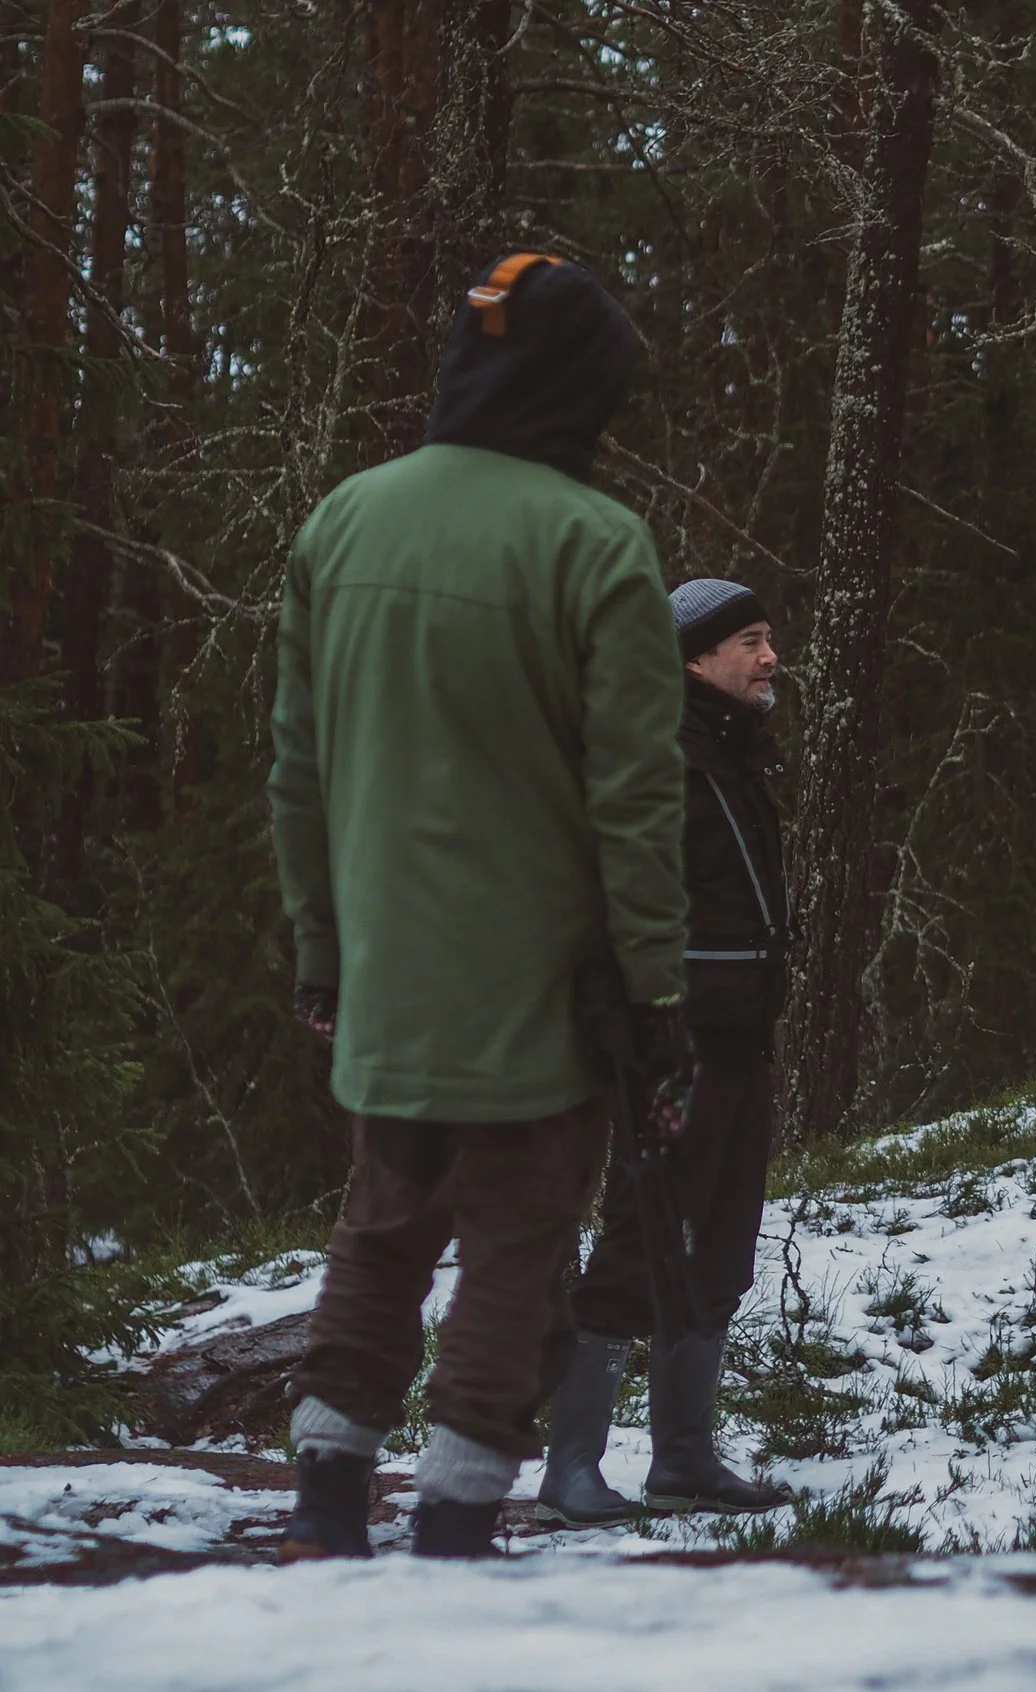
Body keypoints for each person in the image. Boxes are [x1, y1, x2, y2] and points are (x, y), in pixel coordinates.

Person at [268, 253, 688, 1560]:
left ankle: (327, 1500)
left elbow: (298, 768)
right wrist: (655, 984)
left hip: (390, 973)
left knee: (381, 1230)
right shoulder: (594, 539)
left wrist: (325, 954)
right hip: (541, 986)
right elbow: (634, 792)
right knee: (518, 1242)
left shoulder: (342, 521)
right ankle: (454, 1519)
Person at [537, 579, 794, 1524]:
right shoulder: (655, 760)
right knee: (641, 1246)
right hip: (671, 1046)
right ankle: (571, 1471)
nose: (771, 658)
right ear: (693, 657)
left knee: (720, 1253)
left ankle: (684, 1461)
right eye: (751, 641)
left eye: (769, 639)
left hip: (740, 1042)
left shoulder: (735, 757)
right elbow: (599, 902)